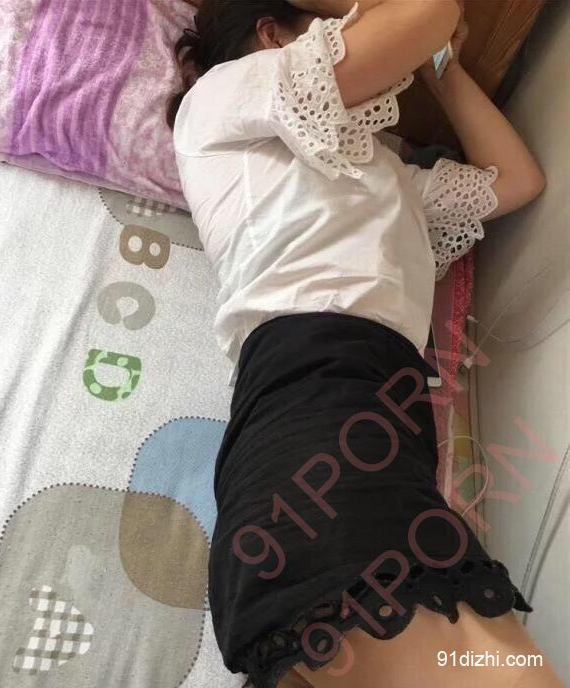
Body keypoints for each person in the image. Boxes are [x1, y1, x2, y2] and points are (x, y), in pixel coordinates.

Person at [168, 1, 562, 687]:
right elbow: (431, 9)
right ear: (271, 33)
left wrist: (441, 65)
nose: (357, 21)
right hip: (316, 416)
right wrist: (418, 32)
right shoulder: (221, 98)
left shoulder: (391, 180)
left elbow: (516, 180)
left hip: (362, 438)